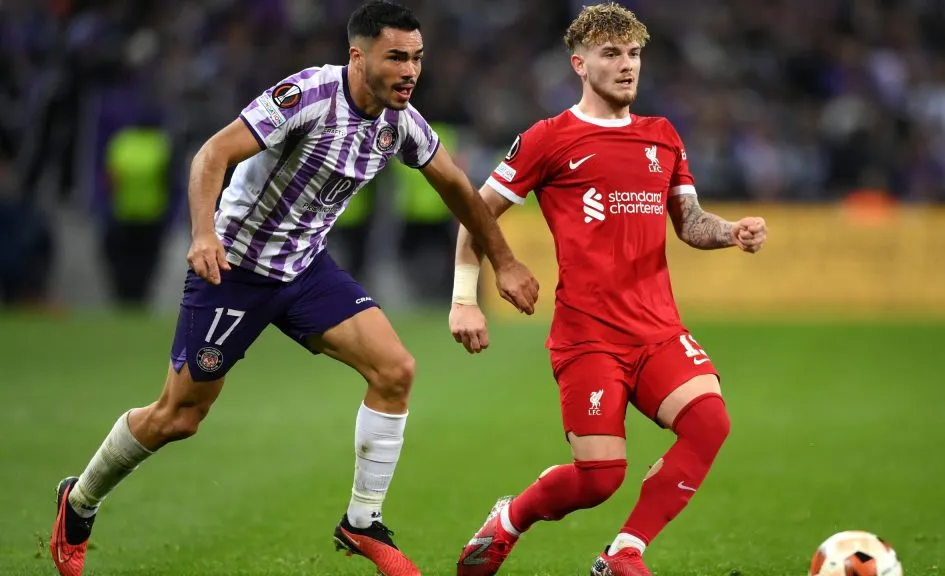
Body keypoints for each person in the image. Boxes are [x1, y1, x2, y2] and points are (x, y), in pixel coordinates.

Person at [49, 2, 539, 576]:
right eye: (396, 57)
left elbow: (457, 188)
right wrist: (203, 233)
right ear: (358, 57)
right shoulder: (308, 95)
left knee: (395, 371)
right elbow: (212, 154)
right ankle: (79, 500)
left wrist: (504, 261)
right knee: (178, 417)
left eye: (417, 58)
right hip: (234, 269)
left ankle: (362, 522)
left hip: (304, 270)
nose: (410, 71)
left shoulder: (402, 122)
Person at [448, 4, 767, 576]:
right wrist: (466, 298)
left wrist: (731, 232)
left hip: (658, 330)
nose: (627, 66)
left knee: (710, 422)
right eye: (611, 54)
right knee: (599, 479)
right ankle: (511, 518)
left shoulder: (662, 136)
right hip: (588, 337)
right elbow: (475, 212)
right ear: (580, 64)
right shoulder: (549, 138)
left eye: (634, 54)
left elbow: (690, 223)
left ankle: (624, 552)